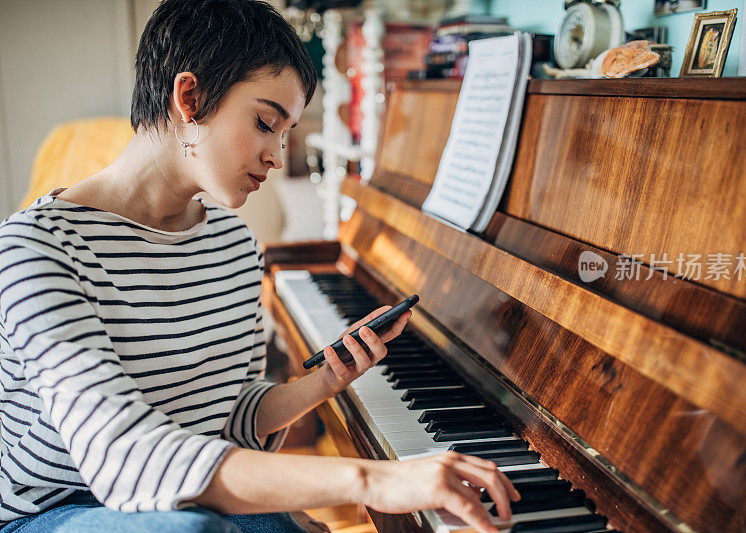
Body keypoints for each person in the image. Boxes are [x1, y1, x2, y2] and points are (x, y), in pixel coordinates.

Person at [0, 1, 518, 531]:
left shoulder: (232, 242)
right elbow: (125, 459)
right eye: (265, 122)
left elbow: (230, 414)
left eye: (285, 132)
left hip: (187, 492)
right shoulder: (34, 250)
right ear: (190, 98)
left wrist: (325, 381)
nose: (276, 154)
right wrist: (373, 479)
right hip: (60, 506)